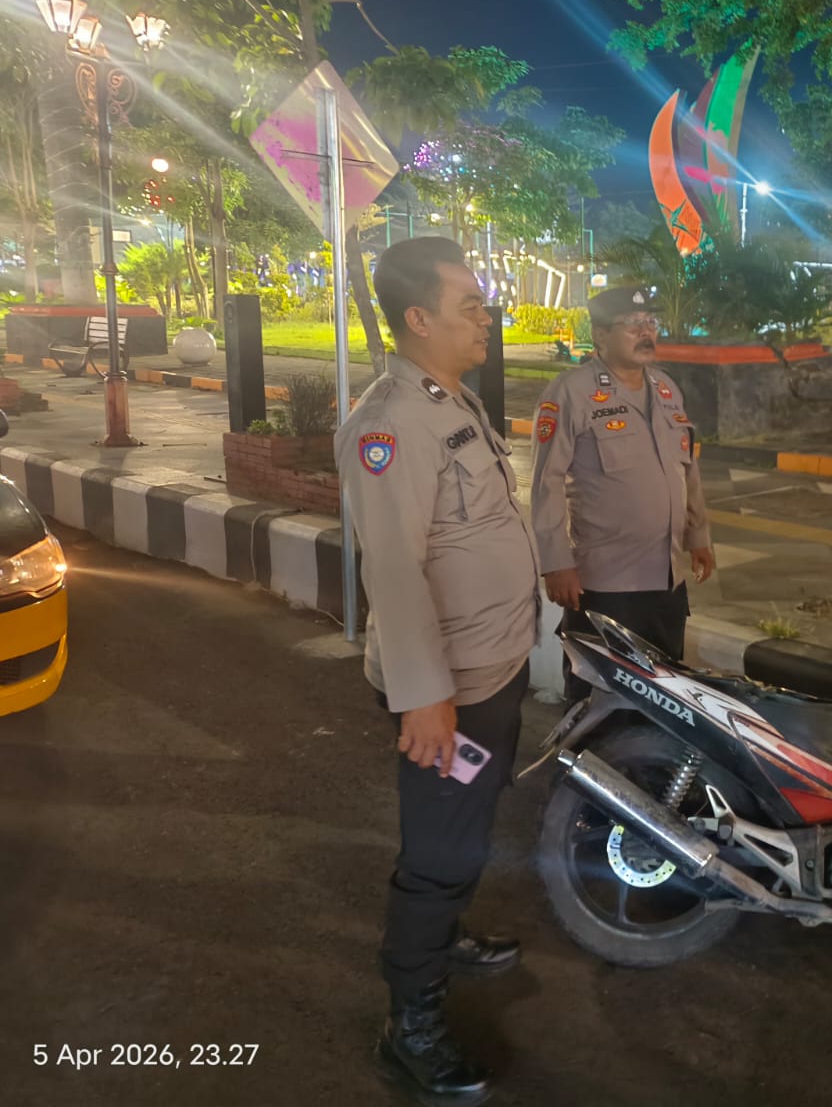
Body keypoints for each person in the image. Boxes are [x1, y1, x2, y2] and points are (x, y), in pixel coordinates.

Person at [335, 236, 540, 1106]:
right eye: (469, 305)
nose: (485, 317)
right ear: (418, 319)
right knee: (439, 846)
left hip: (490, 672)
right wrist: (424, 700)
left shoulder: (445, 399)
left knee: (471, 817)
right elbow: (393, 565)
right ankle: (410, 1026)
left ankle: (446, 929)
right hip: (446, 695)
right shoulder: (388, 424)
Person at [531, 285, 715, 699]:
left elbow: (688, 470)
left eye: (650, 322)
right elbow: (547, 482)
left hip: (666, 582)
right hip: (605, 586)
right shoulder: (570, 393)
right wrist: (556, 562)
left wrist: (698, 536)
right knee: (598, 698)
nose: (645, 331)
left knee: (665, 698)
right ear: (599, 336)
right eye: (632, 324)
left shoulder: (667, 389)